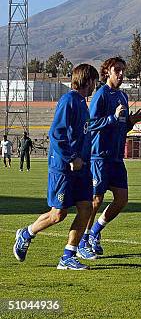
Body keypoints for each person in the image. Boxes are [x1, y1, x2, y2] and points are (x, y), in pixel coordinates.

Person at [13, 64, 99, 270]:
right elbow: (56, 133)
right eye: (95, 81)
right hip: (64, 168)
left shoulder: (82, 103)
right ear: (88, 81)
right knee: (58, 214)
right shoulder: (68, 100)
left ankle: (68, 255)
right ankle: (26, 233)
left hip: (82, 168)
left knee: (86, 208)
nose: (96, 85)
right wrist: (71, 157)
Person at [77, 57, 141, 259]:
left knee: (122, 200)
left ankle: (95, 233)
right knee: (96, 199)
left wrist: (131, 121)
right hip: (99, 155)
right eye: (117, 69)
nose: (121, 73)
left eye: (123, 70)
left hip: (116, 157)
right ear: (107, 71)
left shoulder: (123, 96)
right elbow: (90, 124)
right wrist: (113, 118)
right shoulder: (101, 94)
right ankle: (82, 241)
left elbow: (122, 126)